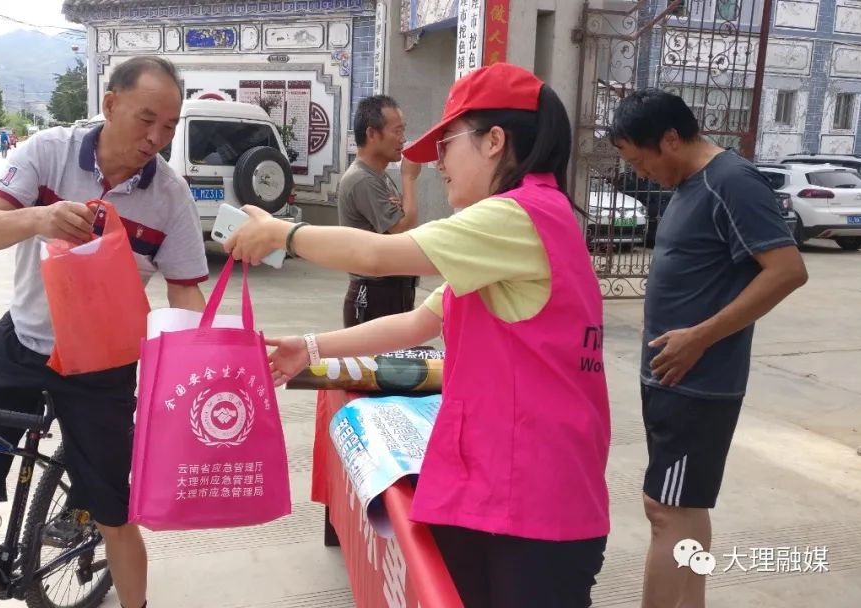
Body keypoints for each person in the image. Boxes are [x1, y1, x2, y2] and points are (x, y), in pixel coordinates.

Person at [226, 63, 610, 607]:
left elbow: (378, 255)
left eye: (447, 143)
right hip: (504, 490)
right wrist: (309, 349)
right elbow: (417, 322)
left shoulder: (519, 216)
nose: (436, 163)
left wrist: (282, 232)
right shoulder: (517, 229)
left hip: (532, 506)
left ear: (495, 141)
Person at [0, 56, 209, 608]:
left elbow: (184, 288)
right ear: (110, 105)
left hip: (103, 366)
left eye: (170, 126)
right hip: (22, 344)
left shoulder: (170, 196)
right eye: (146, 119)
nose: (156, 138)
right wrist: (38, 218)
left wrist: (202, 359)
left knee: (114, 509)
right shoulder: (48, 152)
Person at [608, 89, 808, 608]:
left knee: (665, 511)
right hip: (673, 378)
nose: (640, 173)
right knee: (684, 510)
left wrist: (700, 336)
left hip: (697, 382)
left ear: (670, 138)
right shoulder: (690, 184)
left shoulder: (732, 183)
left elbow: (787, 271)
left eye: (640, 160)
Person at [338, 95, 421, 326]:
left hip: (391, 292)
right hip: (375, 294)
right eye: (397, 132)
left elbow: (404, 216)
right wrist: (408, 177)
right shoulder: (362, 179)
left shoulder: (377, 177)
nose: (403, 140)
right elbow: (404, 226)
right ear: (372, 134)